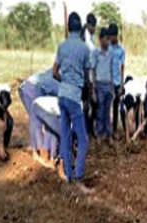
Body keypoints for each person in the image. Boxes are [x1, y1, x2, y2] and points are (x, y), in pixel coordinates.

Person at [53, 12, 91, 192]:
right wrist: (87, 92)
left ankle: (68, 175)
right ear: (80, 27)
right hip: (75, 97)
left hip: (62, 95)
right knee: (83, 139)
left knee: (66, 137)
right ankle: (78, 176)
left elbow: (54, 72)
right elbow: (88, 76)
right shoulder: (84, 48)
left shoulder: (61, 47)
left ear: (68, 28)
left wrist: (65, 82)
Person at [18, 69, 59, 162]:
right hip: (31, 89)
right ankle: (39, 153)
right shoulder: (63, 87)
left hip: (29, 87)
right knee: (37, 121)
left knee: (40, 121)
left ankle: (42, 150)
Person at [91, 28, 114, 143]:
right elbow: (93, 71)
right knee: (100, 111)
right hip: (99, 85)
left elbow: (112, 69)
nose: (108, 41)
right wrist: (94, 90)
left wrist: (113, 85)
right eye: (106, 39)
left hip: (108, 84)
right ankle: (99, 134)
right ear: (100, 40)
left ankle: (108, 134)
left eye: (109, 39)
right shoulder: (95, 53)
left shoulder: (111, 53)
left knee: (107, 111)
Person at [32, 96, 64, 177]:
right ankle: (61, 169)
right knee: (64, 135)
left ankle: (51, 158)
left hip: (37, 104)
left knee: (53, 131)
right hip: (44, 108)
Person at [81, 13, 98, 137]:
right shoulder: (84, 39)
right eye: (93, 27)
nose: (95, 29)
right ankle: (86, 129)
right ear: (88, 25)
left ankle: (89, 128)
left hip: (90, 73)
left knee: (91, 103)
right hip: (85, 74)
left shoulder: (90, 37)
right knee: (87, 103)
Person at [108, 23, 126, 136]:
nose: (110, 38)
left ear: (116, 36)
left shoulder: (121, 50)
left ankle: (114, 130)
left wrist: (121, 85)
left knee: (115, 107)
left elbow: (122, 67)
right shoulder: (106, 47)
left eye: (112, 36)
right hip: (106, 81)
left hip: (116, 82)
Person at [120, 75, 143, 141]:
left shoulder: (138, 92)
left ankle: (138, 132)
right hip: (128, 94)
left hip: (136, 96)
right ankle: (126, 132)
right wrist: (127, 137)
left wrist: (134, 114)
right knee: (122, 113)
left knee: (138, 116)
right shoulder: (123, 94)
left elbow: (139, 106)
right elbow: (126, 116)